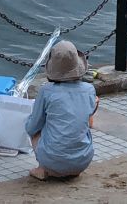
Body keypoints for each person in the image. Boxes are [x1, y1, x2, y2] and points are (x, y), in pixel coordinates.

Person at [25, 41, 98, 181]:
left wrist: (26, 121)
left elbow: (32, 126)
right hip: (83, 159)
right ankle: (72, 169)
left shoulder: (47, 91)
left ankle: (43, 169)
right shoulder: (89, 90)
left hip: (52, 159)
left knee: (36, 129)